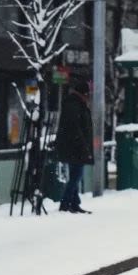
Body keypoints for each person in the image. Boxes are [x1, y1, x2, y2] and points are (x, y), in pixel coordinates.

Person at [54, 79, 94, 213]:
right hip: (75, 148)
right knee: (76, 176)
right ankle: (65, 204)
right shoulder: (75, 105)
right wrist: (84, 147)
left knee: (75, 175)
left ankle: (74, 203)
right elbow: (75, 129)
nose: (88, 97)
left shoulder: (75, 104)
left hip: (73, 147)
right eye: (87, 94)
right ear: (83, 94)